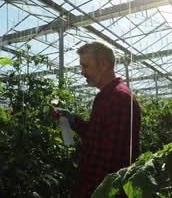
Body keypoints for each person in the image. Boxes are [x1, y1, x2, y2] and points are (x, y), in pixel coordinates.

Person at [53, 42, 141, 197]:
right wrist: (73, 120)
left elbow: (111, 159)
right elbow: (98, 138)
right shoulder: (109, 96)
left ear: (104, 64)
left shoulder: (117, 97)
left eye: (85, 66)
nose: (82, 72)